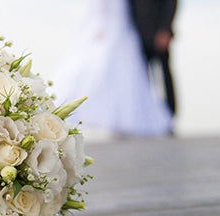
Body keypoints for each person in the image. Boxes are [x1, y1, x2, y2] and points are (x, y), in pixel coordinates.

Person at [51, 0, 172, 138]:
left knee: (132, 76)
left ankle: (130, 117)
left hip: (129, 29)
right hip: (114, 28)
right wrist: (101, 26)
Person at [129, 0, 178, 118]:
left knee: (163, 75)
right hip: (135, 38)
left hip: (157, 33)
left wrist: (165, 29)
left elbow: (170, 3)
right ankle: (142, 117)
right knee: (139, 79)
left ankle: (168, 117)